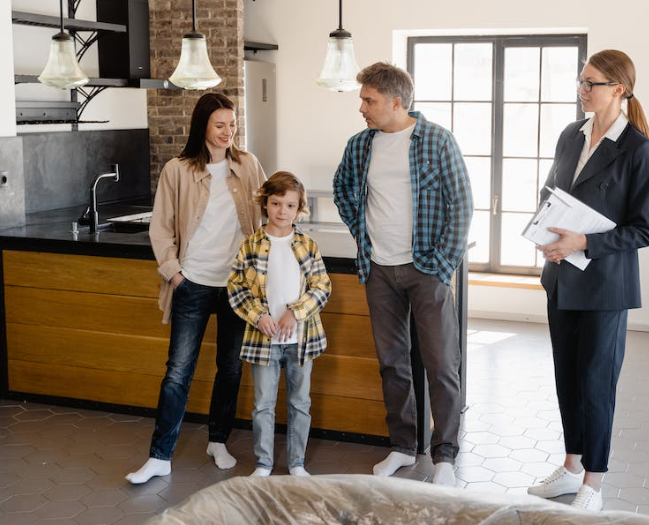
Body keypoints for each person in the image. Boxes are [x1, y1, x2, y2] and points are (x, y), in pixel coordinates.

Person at [526, 50, 649, 510]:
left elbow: (643, 230)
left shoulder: (638, 150)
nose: (582, 90)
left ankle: (594, 480)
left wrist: (583, 244)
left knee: (596, 381)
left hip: (606, 285)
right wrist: (545, 231)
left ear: (620, 89)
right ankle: (571, 467)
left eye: (591, 83)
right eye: (581, 82)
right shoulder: (571, 135)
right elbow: (552, 192)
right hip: (561, 278)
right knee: (566, 376)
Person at [333, 62, 473, 487]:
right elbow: (342, 189)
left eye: (369, 100)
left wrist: (442, 263)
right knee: (392, 364)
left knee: (441, 363)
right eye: (362, 99)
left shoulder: (436, 140)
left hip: (425, 270)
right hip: (378, 270)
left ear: (396, 102)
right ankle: (401, 446)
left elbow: (462, 204)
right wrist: (364, 235)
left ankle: (445, 454)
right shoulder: (360, 145)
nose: (362, 107)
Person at [126, 93, 266, 484]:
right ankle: (159, 456)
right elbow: (161, 227)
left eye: (232, 123)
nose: (228, 131)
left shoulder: (248, 164)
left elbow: (268, 213)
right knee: (178, 371)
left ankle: (217, 440)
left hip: (237, 286)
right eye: (220, 124)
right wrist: (174, 273)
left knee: (231, 368)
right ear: (202, 125)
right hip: (193, 282)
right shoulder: (178, 169)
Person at [227, 171, 331, 478]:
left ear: (299, 209)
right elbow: (236, 287)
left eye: (290, 205)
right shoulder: (251, 245)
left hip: (301, 340)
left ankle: (296, 463)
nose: (282, 211)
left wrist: (295, 313)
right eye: (276, 203)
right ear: (265, 204)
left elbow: (321, 287)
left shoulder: (307, 245)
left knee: (300, 403)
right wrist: (260, 317)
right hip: (263, 341)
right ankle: (263, 463)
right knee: (263, 405)